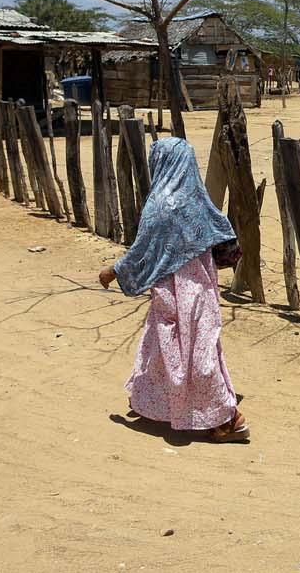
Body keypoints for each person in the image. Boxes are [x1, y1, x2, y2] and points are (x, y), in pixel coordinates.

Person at [98, 137, 250, 443]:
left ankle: (228, 419)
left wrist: (113, 271)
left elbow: (143, 250)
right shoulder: (197, 198)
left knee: (183, 352)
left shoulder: (161, 204)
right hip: (202, 291)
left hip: (173, 292)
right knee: (189, 348)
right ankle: (161, 404)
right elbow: (224, 232)